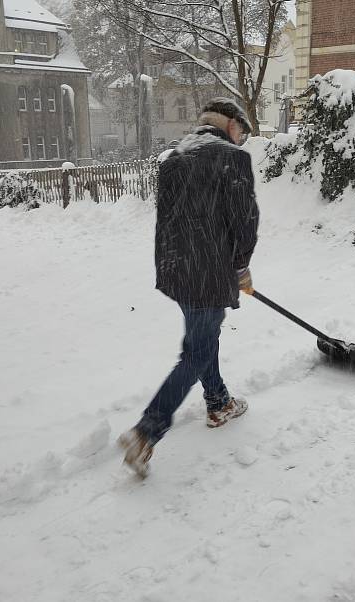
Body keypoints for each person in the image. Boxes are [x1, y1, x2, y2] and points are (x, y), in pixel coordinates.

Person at [118, 98, 260, 477]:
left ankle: (218, 402)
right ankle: (146, 432)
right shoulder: (232, 159)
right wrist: (241, 267)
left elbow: (167, 222)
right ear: (230, 125)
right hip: (209, 272)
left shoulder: (174, 159)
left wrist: (177, 267)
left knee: (202, 339)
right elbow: (244, 223)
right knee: (195, 352)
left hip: (178, 271)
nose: (241, 141)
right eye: (241, 133)